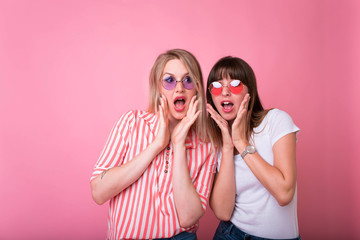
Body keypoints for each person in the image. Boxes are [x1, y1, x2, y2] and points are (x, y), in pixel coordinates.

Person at [90, 49, 216, 240]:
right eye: (170, 80)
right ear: (158, 87)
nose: (179, 88)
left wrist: (179, 145)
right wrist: (157, 145)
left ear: (197, 89)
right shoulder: (132, 122)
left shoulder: (207, 146)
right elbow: (99, 193)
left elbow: (188, 218)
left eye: (188, 80)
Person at [206, 56, 301, 240]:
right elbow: (223, 212)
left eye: (235, 84)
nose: (225, 92)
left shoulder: (275, 121)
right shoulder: (217, 140)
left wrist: (241, 143)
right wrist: (227, 146)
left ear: (250, 92)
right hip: (229, 233)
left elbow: (284, 194)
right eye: (217, 86)